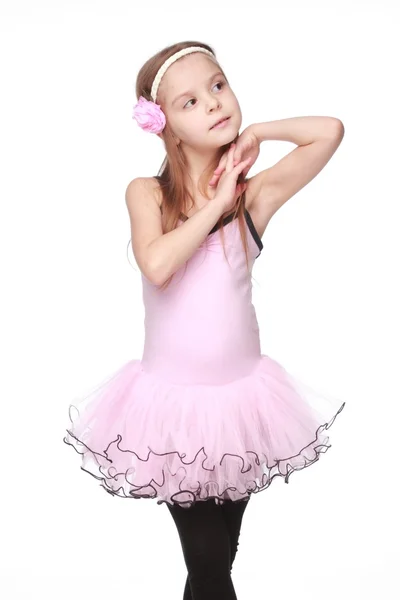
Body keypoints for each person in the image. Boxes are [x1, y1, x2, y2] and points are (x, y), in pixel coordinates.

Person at [63, 41, 346, 600]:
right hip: (171, 413)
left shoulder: (255, 198)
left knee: (215, 566)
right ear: (164, 124)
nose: (214, 104)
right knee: (211, 562)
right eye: (189, 101)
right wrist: (215, 205)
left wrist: (259, 133)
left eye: (218, 86)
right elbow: (160, 264)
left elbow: (330, 130)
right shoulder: (147, 194)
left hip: (242, 406)